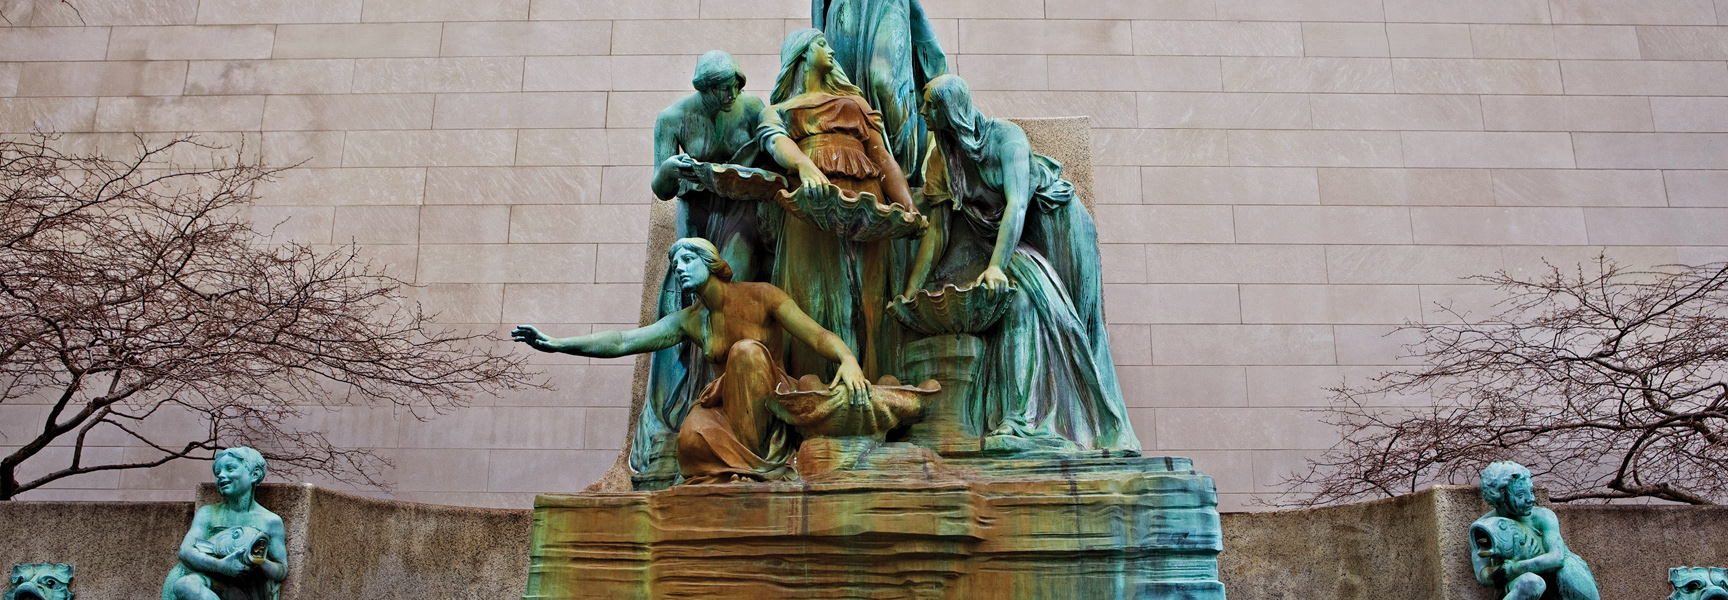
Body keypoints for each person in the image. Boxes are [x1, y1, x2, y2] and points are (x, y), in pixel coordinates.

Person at [905, 74, 1138, 453]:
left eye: (930, 104)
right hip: (1002, 239)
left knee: (1079, 321)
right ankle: (1024, 416)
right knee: (1025, 300)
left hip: (1053, 225)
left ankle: (1097, 424)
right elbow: (937, 231)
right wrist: (913, 288)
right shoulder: (942, 159)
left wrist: (996, 265)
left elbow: (1017, 205)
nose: (922, 111)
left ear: (950, 108)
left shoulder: (1006, 139)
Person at [513, 238, 869, 484]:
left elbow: (817, 334)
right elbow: (625, 341)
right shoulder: (690, 319)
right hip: (728, 407)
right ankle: (746, 468)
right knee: (688, 442)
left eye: (687, 260)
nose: (680, 269)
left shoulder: (762, 295)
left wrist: (847, 360)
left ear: (710, 262)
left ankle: (761, 466)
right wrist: (559, 344)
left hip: (770, 403)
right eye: (675, 263)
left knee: (744, 352)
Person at [637, 51, 772, 482]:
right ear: (702, 89)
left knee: (732, 293)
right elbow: (660, 188)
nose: (731, 93)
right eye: (721, 88)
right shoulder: (673, 118)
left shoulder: (752, 109)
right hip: (695, 216)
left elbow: (774, 153)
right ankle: (697, 404)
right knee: (691, 302)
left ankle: (740, 405)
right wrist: (669, 170)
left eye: (735, 84)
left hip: (742, 214)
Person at [758, 28, 917, 381]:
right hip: (811, 206)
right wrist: (804, 165)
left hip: (867, 205)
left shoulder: (856, 104)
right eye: (821, 44)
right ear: (801, 54)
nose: (830, 50)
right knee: (813, 292)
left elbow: (883, 158)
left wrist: (907, 205)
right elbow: (774, 142)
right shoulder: (779, 110)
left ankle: (874, 380)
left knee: (870, 295)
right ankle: (817, 381)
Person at [811, 0, 948, 186]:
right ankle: (860, 172)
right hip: (844, 7)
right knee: (844, 90)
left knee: (883, 81)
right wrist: (816, 38)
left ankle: (900, 170)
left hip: (888, 4)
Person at [162, 447, 289, 600]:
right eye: (217, 473)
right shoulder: (207, 513)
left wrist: (259, 560)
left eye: (230, 469)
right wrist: (220, 566)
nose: (221, 476)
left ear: (254, 474)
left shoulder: (270, 521)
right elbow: (185, 552)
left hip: (246, 591)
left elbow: (281, 570)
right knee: (186, 584)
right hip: (211, 583)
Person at [1470, 462, 1599, 600]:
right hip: (1517, 586)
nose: (1530, 499)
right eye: (1520, 495)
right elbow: (1482, 575)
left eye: (1531, 491)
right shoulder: (1484, 527)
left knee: (1569, 568)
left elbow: (1557, 557)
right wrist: (1502, 572)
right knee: (1530, 582)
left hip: (1557, 585)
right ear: (1498, 497)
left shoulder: (1543, 516)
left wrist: (1516, 567)